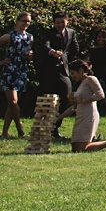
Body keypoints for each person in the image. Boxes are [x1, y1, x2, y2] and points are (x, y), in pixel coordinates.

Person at [0, 10, 33, 140]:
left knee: (12, 105)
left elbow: (30, 54)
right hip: (10, 70)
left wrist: (30, 56)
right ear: (17, 21)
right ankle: (20, 128)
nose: (26, 23)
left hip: (22, 70)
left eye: (28, 21)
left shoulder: (30, 37)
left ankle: (5, 132)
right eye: (24, 21)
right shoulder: (9, 36)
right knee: (13, 102)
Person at [61, 60, 106, 152]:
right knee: (75, 148)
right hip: (80, 115)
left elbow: (100, 95)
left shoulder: (91, 79)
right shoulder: (80, 85)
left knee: (82, 149)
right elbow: (75, 105)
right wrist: (60, 117)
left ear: (81, 71)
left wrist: (84, 100)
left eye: (73, 73)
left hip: (89, 114)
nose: (72, 76)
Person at [35, 11, 78, 139]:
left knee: (66, 95)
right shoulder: (48, 33)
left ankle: (56, 126)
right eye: (57, 23)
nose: (60, 25)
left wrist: (65, 59)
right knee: (47, 99)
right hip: (48, 70)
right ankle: (45, 128)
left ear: (67, 21)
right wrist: (52, 52)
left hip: (63, 69)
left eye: (62, 22)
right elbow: (45, 45)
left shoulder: (71, 32)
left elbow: (75, 48)